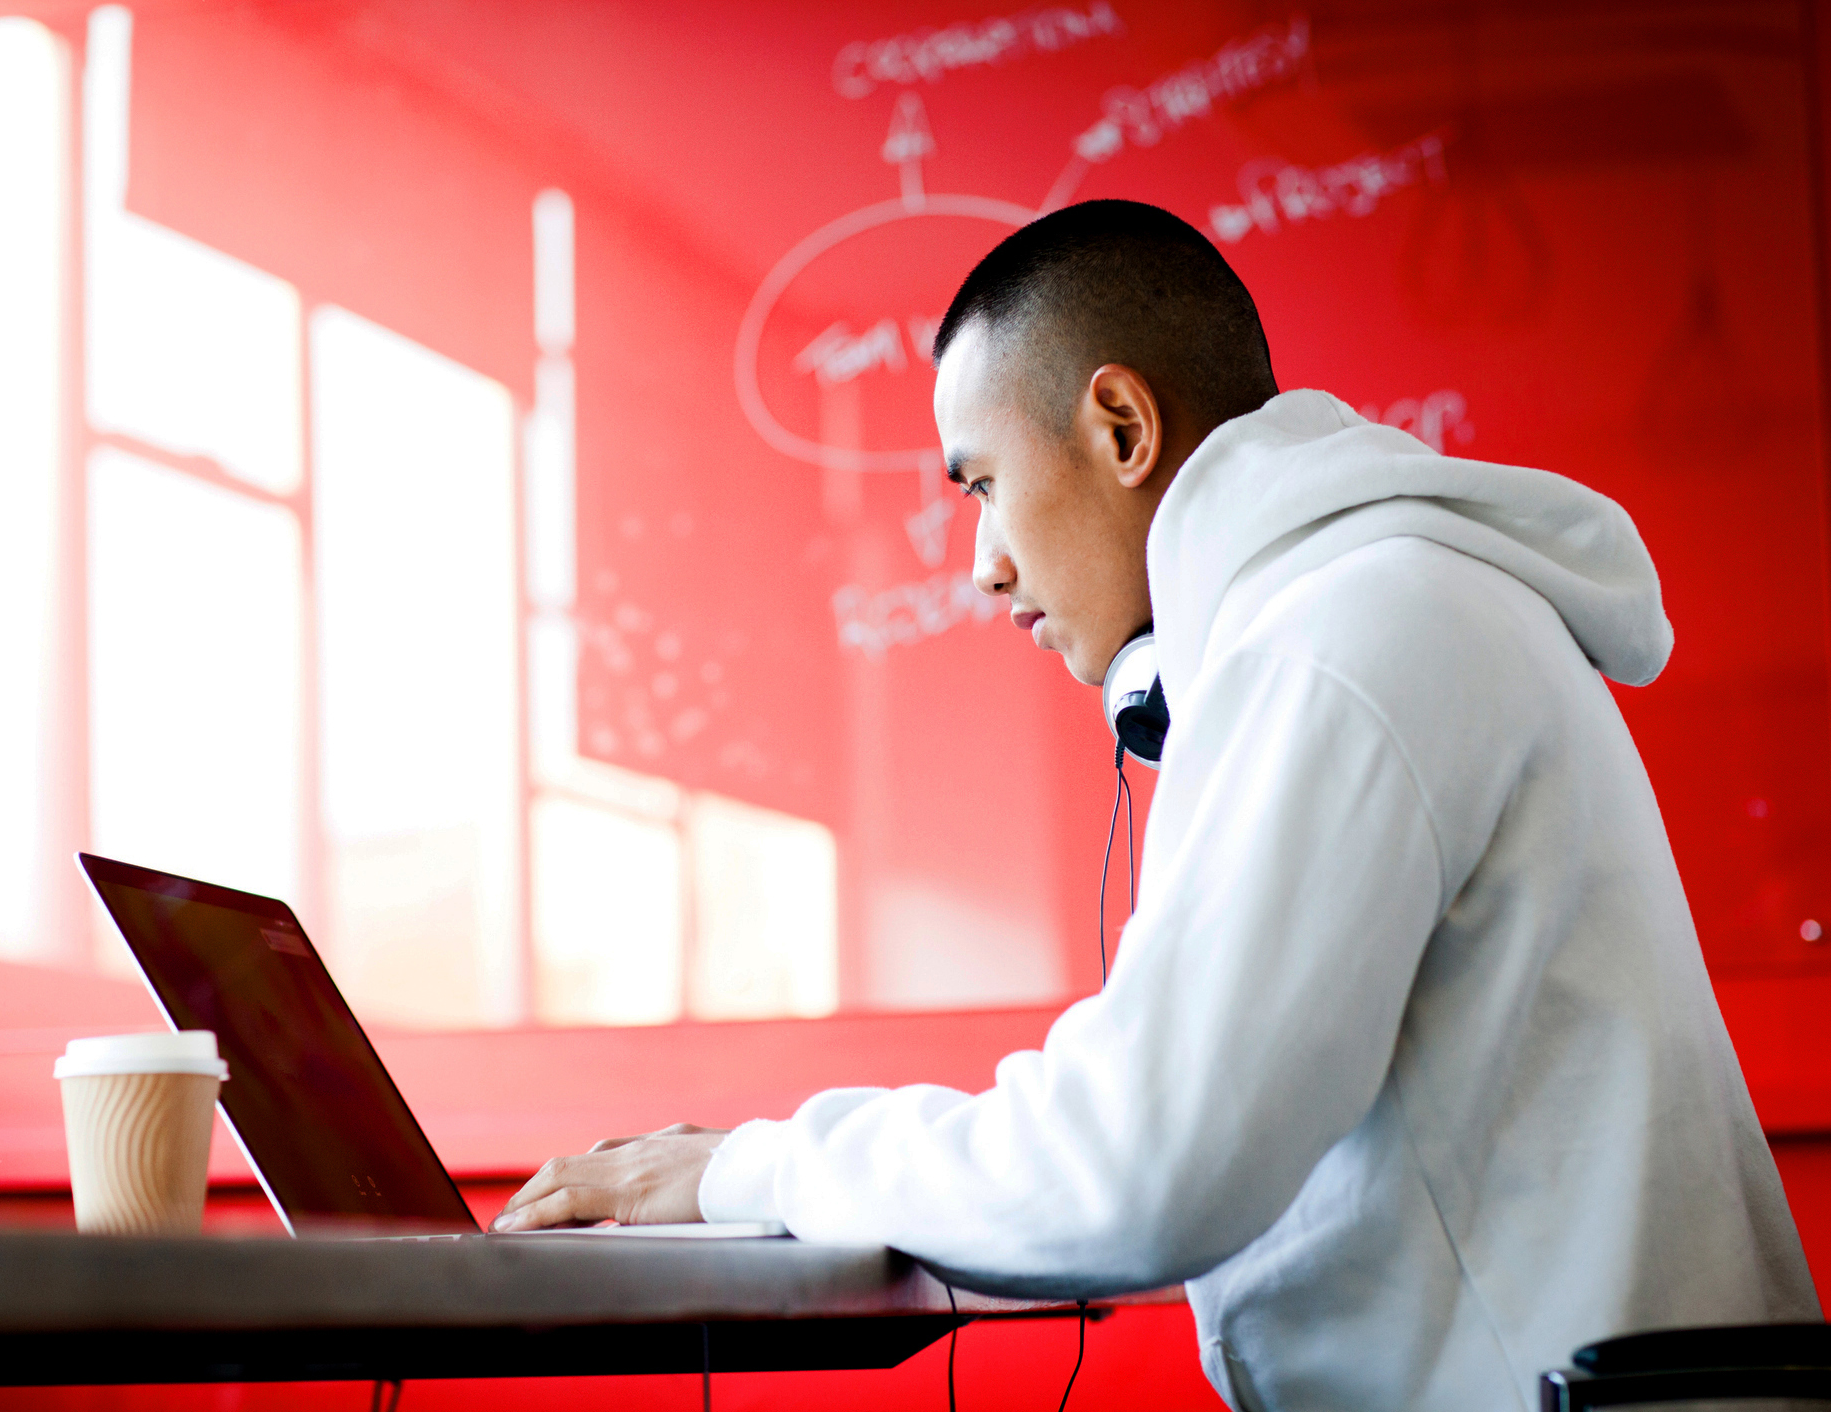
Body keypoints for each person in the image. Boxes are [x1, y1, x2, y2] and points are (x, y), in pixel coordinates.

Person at [492, 199, 1819, 1408]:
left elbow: (1142, 1164)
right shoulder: (1366, 613)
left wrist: (754, 1167)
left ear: (1121, 428)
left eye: (983, 484)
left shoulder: (1344, 643)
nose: (982, 565)